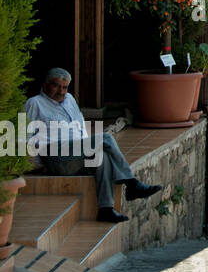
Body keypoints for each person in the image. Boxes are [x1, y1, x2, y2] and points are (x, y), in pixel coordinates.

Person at [24, 68, 163, 223]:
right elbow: (25, 135)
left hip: (75, 154)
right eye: (56, 86)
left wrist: (89, 147)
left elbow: (80, 126)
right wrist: (35, 164)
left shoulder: (69, 99)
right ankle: (132, 183)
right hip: (54, 156)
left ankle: (105, 209)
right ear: (45, 86)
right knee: (105, 138)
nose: (61, 91)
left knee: (101, 156)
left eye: (64, 87)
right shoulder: (34, 103)